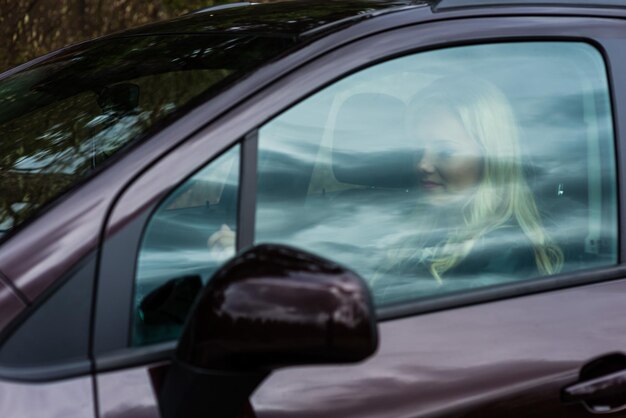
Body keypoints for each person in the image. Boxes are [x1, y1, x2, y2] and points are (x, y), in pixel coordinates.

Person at [378, 77, 563, 289]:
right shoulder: (425, 230)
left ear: (490, 160)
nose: (423, 164)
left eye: (446, 151)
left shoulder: (502, 255)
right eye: (417, 149)